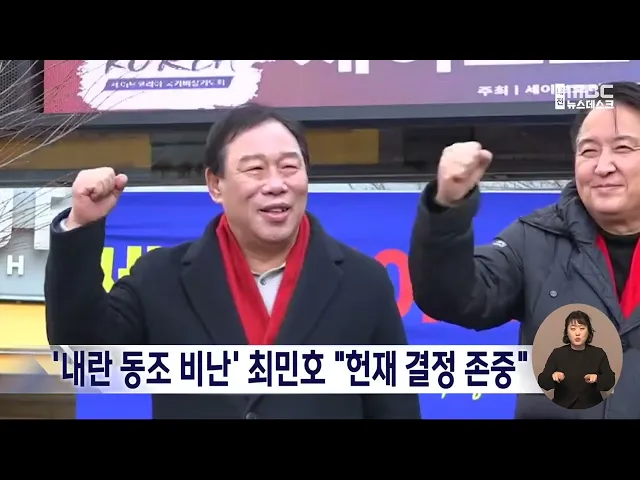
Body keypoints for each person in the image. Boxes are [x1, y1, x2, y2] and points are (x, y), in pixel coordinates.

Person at [45, 103, 421, 420]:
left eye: (289, 167)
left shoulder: (364, 282)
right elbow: (83, 353)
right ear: (215, 184)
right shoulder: (161, 278)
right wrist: (82, 225)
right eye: (255, 169)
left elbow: (395, 408)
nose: (276, 184)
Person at [408, 81, 640, 420]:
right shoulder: (535, 239)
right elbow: (453, 297)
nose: (602, 166)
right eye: (588, 151)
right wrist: (448, 206)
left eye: (623, 148)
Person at [537, 310, 615, 409]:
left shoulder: (598, 353)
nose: (577, 333)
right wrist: (553, 376)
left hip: (592, 407)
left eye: (582, 328)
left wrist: (597, 378)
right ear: (567, 331)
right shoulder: (557, 353)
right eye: (573, 329)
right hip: (563, 407)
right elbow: (542, 381)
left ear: (588, 331)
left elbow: (610, 380)